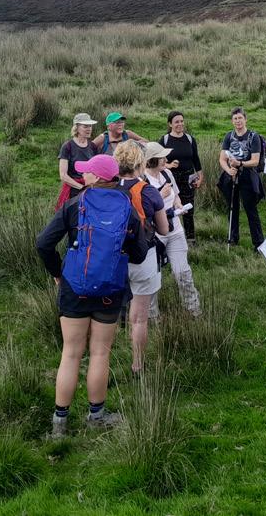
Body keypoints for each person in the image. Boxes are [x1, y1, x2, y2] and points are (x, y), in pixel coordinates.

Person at [35, 154, 148, 436]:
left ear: (97, 177)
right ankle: (96, 416)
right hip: (110, 288)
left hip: (74, 286)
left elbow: (43, 243)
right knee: (100, 352)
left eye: (86, 172)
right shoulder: (127, 206)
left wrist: (57, 273)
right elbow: (139, 253)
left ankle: (59, 425)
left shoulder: (74, 205)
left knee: (71, 353)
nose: (82, 175)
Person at [115, 140, 168, 374]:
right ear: (141, 163)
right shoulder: (149, 191)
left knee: (108, 316)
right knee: (139, 319)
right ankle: (137, 365)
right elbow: (163, 229)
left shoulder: (107, 188)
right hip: (142, 257)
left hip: (114, 259)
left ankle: (103, 360)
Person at [143, 141, 201, 316]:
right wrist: (160, 196)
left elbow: (176, 195)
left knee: (183, 272)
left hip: (175, 230)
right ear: (152, 160)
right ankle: (152, 317)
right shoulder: (142, 180)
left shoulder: (167, 173)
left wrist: (179, 205)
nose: (165, 160)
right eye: (162, 157)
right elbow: (143, 210)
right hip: (154, 235)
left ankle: (193, 309)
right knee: (152, 277)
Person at [218, 107, 265, 249]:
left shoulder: (253, 137)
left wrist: (240, 164)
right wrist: (228, 170)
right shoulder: (229, 136)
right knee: (232, 207)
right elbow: (222, 159)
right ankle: (233, 238)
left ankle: (258, 243)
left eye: (240, 118)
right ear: (232, 121)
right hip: (231, 176)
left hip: (248, 176)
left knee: (251, 209)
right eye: (235, 119)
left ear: (245, 119)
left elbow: (255, 161)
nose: (238, 121)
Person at [159, 111, 203, 245]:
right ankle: (171, 237)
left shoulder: (189, 139)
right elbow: (158, 161)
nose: (180, 124)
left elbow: (196, 159)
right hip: (171, 180)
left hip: (189, 179)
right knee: (171, 208)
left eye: (182, 121)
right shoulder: (165, 140)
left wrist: (200, 177)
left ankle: (190, 239)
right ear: (170, 124)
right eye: (176, 122)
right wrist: (169, 165)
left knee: (188, 209)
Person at [56, 112, 96, 210]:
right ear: (76, 127)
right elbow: (63, 175)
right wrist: (81, 188)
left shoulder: (93, 146)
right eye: (85, 126)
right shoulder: (68, 146)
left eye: (90, 126)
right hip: (73, 190)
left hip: (90, 188)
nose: (89, 129)